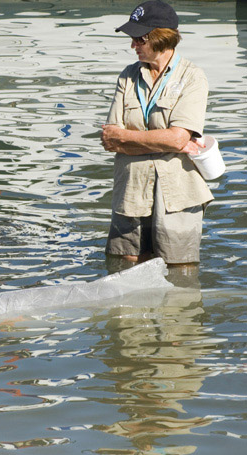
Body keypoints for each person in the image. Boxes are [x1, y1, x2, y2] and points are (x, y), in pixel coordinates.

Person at [101, 0, 212, 266]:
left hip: (177, 195)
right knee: (123, 267)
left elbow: (178, 138)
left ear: (159, 38)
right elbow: (109, 139)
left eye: (138, 39)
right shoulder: (127, 76)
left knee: (179, 272)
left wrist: (128, 138)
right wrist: (169, 142)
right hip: (130, 190)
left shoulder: (193, 77)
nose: (132, 46)